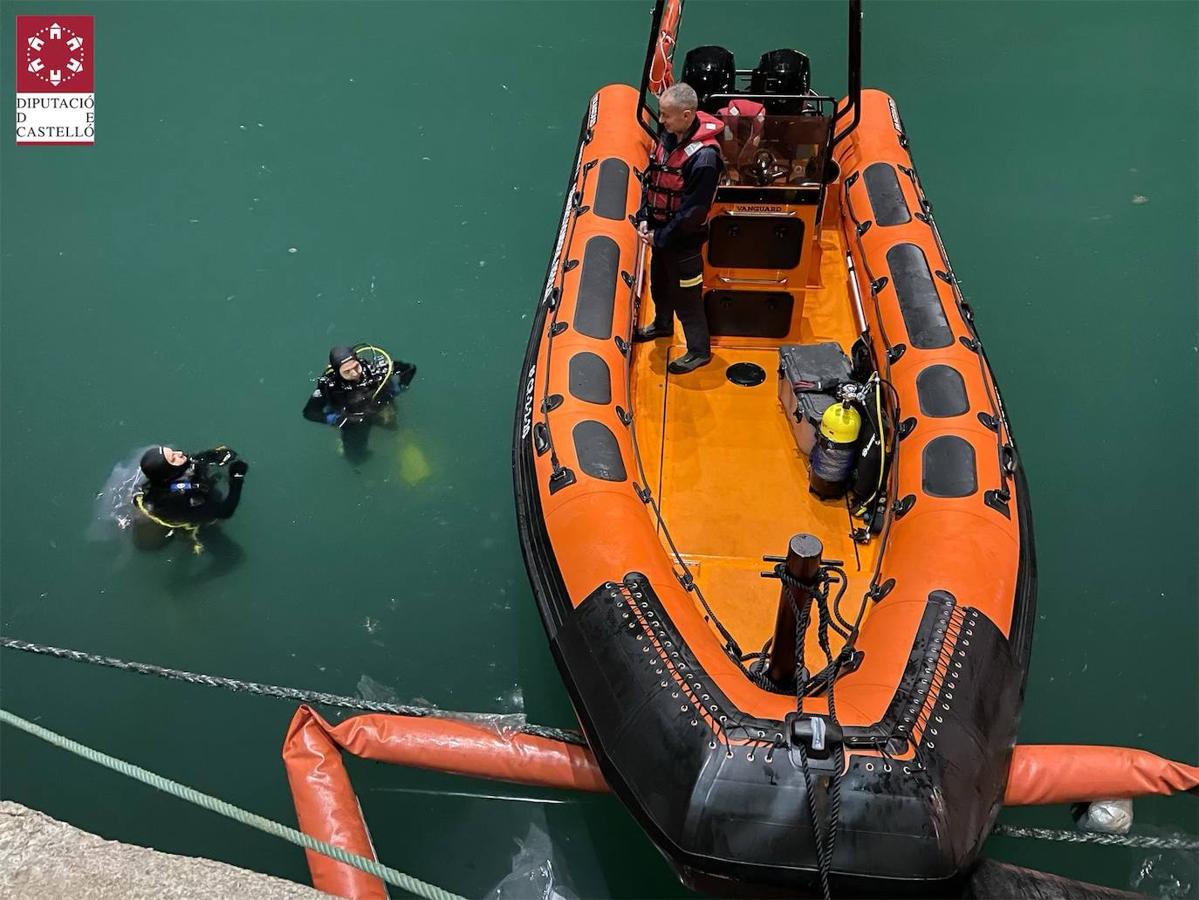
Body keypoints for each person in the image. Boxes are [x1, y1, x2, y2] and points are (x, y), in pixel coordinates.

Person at [634, 82, 725, 375]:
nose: (661, 121)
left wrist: (660, 236)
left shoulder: (705, 159)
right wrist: (645, 216)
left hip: (683, 241)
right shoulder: (670, 136)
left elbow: (692, 213)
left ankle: (699, 351)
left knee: (687, 299)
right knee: (660, 286)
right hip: (661, 233)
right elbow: (654, 180)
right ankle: (662, 324)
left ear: (687, 116)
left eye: (667, 116)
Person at [302, 344, 416, 462]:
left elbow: (409, 368)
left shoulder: (374, 369)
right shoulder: (329, 385)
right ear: (337, 371)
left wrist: (399, 388)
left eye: (356, 367)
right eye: (347, 371)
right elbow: (309, 413)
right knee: (356, 457)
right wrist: (336, 419)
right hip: (352, 421)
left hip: (380, 409)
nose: (354, 373)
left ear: (358, 360)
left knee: (394, 429)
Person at [134, 445, 248, 552]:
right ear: (168, 472)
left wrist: (214, 455)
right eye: (173, 459)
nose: (179, 453)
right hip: (189, 517)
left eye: (173, 452)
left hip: (190, 498)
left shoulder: (168, 475)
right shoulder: (178, 499)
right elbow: (225, 512)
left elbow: (196, 461)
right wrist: (237, 478)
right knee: (236, 555)